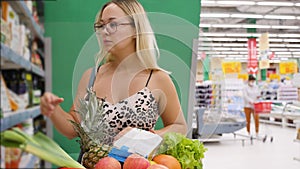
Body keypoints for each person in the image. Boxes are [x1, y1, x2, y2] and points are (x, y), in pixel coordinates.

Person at [40, 0, 187, 151]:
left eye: (113, 24)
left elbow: (180, 127)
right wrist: (53, 110)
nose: (104, 30)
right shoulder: (91, 77)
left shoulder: (157, 78)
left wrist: (148, 137)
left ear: (136, 29)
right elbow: (72, 129)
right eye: (101, 25)